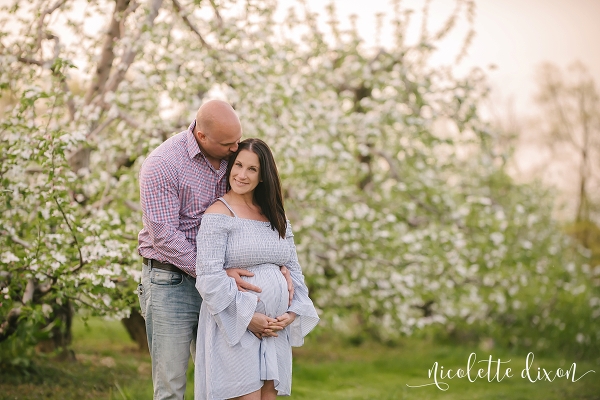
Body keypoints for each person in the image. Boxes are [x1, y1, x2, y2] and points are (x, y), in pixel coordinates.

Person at [137, 100, 293, 400]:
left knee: (222, 379)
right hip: (172, 283)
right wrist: (214, 272)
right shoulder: (162, 165)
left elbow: (248, 210)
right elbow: (163, 236)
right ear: (201, 135)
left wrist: (275, 263)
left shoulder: (231, 159)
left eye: (237, 140)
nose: (235, 149)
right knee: (171, 384)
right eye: (228, 144)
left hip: (224, 285)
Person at [195, 138, 319, 400]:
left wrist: (293, 311)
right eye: (238, 165)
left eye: (252, 169)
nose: (241, 175)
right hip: (235, 327)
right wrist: (248, 318)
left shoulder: (275, 216)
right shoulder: (218, 213)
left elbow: (293, 269)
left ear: (263, 176)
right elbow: (208, 277)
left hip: (274, 331)